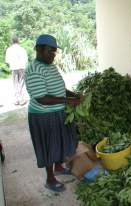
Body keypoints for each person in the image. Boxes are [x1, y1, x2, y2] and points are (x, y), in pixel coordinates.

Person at [25, 34, 81, 192]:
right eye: (50, 51)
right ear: (39, 49)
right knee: (49, 146)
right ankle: (50, 179)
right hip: (43, 116)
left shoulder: (51, 66)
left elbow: (60, 89)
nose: (53, 55)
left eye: (55, 52)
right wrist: (68, 101)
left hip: (57, 112)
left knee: (60, 142)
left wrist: (74, 95)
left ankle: (58, 167)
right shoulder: (34, 69)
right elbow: (42, 98)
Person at [5, 36, 28, 105]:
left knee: (15, 84)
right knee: (21, 84)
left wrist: (12, 64)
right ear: (18, 41)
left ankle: (16, 99)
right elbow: (26, 59)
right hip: (21, 67)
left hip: (13, 68)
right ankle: (21, 100)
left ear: (12, 41)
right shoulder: (22, 49)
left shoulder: (9, 50)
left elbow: (7, 60)